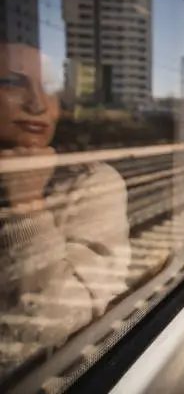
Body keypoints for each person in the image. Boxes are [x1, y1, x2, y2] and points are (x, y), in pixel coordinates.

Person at [0, 42, 131, 378]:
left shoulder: (91, 182)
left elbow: (57, 323)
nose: (37, 104)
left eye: (50, 89)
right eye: (13, 83)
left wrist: (28, 207)